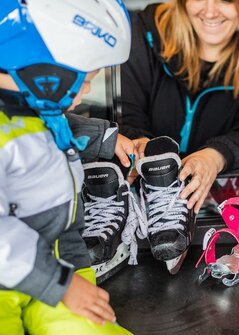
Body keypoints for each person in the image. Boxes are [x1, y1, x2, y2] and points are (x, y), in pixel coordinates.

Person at [0, 0, 135, 333]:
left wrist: (105, 139)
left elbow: (51, 130)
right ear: (44, 73)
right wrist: (59, 283)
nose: (88, 90)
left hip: (64, 266)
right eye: (84, 79)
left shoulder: (35, 111)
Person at [120, 0, 239, 214]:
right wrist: (138, 144)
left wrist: (215, 157)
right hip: (142, 209)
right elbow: (123, 111)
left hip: (222, 211)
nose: (210, 11)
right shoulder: (140, 33)